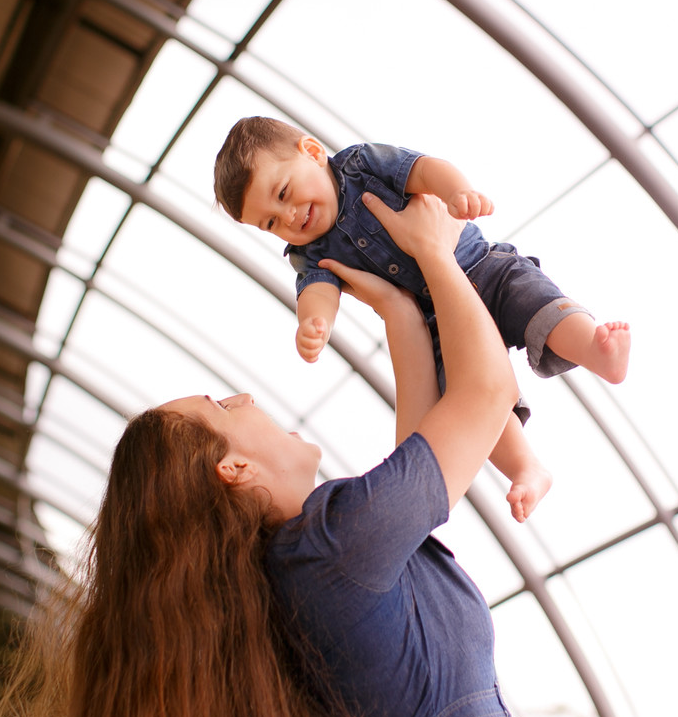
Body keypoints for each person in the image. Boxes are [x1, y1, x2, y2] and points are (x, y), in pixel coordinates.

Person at [0, 193, 554, 717]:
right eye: (226, 406)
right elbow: (485, 395)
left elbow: (424, 453)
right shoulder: (330, 552)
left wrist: (399, 309)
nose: (249, 399)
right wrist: (437, 257)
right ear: (231, 468)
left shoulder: (308, 565)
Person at [214, 115, 631, 521]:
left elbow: (424, 170)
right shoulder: (308, 252)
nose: (287, 219)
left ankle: (596, 348)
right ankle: (526, 467)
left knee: (534, 302)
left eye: (284, 193)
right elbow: (317, 288)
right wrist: (314, 323)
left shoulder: (362, 166)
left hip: (482, 267)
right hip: (435, 320)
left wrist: (457, 192)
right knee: (467, 394)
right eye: (270, 223)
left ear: (312, 151)